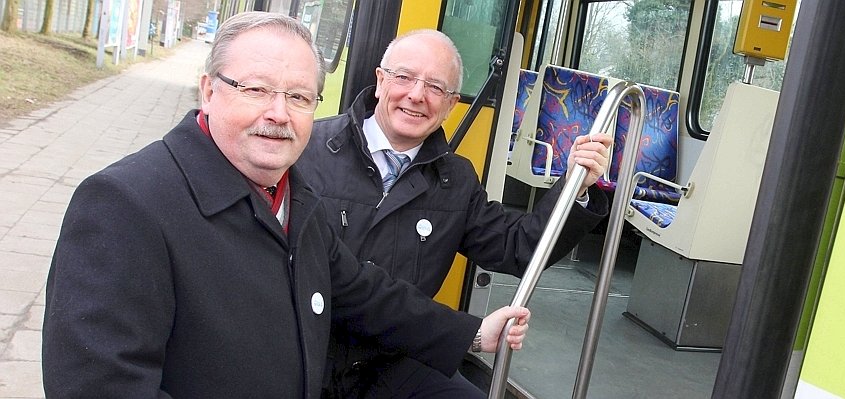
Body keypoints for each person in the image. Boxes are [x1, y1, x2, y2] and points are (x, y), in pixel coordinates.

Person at [41, 12, 531, 399]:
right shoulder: (125, 204)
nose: (278, 113)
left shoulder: (296, 198)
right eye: (255, 89)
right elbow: (100, 384)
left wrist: (471, 335)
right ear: (209, 90)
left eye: (299, 97)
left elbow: (364, 292)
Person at [295, 29, 614, 398]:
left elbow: (518, 246)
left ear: (449, 105)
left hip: (393, 359)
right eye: (404, 77)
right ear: (381, 81)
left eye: (435, 87)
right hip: (305, 348)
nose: (417, 95)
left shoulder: (455, 179)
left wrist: (576, 187)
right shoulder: (308, 150)